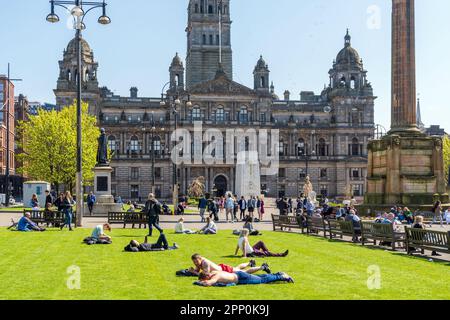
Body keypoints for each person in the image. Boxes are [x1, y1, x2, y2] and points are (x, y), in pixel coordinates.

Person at [190, 254, 270, 276]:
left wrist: (194, 272)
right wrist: (193, 270)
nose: (195, 263)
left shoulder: (205, 262)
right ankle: (250, 263)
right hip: (222, 269)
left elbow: (206, 275)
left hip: (224, 270)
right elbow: (197, 270)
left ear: (200, 259)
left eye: (196, 261)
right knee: (237, 268)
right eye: (194, 262)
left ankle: (263, 267)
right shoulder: (199, 262)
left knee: (244, 272)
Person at [197, 270, 294, 287]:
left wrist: (200, 283)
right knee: (259, 277)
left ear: (207, 276)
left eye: (205, 279)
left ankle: (282, 276)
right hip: (239, 278)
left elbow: (209, 283)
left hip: (241, 277)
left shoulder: (215, 276)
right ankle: (277, 274)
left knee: (261, 280)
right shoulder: (213, 273)